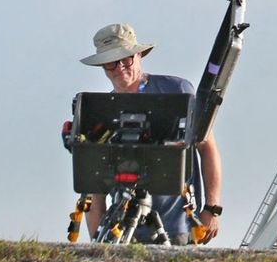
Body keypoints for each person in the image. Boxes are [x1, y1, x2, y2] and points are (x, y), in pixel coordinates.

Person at [79, 22, 223, 244]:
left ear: (138, 56)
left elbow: (207, 147)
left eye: (126, 59)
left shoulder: (177, 91)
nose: (120, 68)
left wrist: (212, 208)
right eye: (110, 63)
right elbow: (94, 190)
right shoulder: (102, 114)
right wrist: (98, 242)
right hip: (122, 230)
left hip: (178, 226)